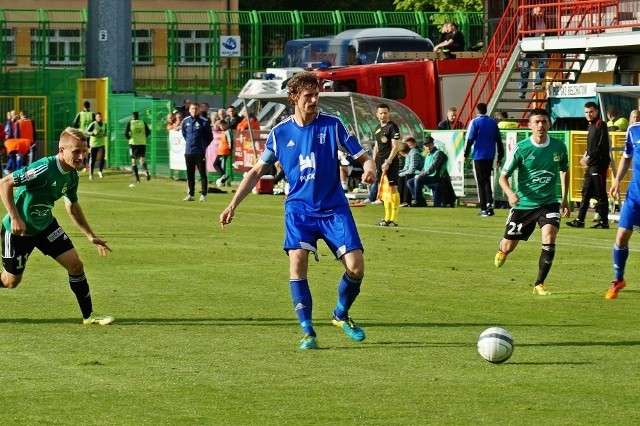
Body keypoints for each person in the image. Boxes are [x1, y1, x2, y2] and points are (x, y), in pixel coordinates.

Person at [219, 71, 376, 351]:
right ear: (294, 98)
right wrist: (233, 204)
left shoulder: (333, 125)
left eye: (316, 95)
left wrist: (369, 166)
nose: (314, 100)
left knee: (356, 267)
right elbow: (256, 171)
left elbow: (362, 156)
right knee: (297, 261)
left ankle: (340, 315)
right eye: (308, 96)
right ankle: (307, 331)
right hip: (299, 211)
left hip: (334, 209)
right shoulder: (280, 134)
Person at [0, 127, 114, 325]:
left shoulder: (72, 176)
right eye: (76, 151)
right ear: (62, 150)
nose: (82, 156)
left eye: (84, 151)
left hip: (46, 227)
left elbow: (73, 207)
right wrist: (15, 217)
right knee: (11, 282)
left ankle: (89, 317)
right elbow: (5, 183)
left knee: (76, 265)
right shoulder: (43, 168)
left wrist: (90, 235)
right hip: (18, 232)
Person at [494, 108, 570, 296]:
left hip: (549, 202)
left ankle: (539, 283)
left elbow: (564, 170)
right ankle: (502, 250)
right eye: (536, 122)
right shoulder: (521, 148)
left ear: (549, 124)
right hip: (524, 204)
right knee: (509, 245)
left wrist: (565, 199)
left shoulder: (559, 147)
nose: (541, 125)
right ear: (529, 125)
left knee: (549, 236)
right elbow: (503, 177)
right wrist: (511, 194)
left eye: (544, 121)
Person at [606, 110, 640, 299]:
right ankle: (618, 279)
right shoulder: (634, 130)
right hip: (635, 196)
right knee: (621, 237)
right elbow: (627, 156)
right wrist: (617, 180)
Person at [567, 102, 610, 229]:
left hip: (599, 164)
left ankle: (604, 221)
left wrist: (589, 157)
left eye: (591, 112)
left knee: (600, 193)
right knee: (585, 192)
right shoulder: (590, 125)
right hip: (591, 165)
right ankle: (580, 220)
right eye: (586, 112)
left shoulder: (600, 124)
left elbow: (601, 146)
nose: (588, 114)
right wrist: (585, 155)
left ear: (596, 111)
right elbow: (590, 146)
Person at [463, 102, 504, 216]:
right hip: (490, 155)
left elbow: (470, 139)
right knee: (487, 180)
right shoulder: (492, 122)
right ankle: (489, 205)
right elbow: (499, 141)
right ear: (486, 110)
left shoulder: (475, 122)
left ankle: (483, 208)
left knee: (480, 182)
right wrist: (500, 156)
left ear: (477, 111)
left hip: (479, 155)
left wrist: (465, 154)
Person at [373, 103, 401, 226]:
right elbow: (376, 147)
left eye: (385, 113)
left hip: (390, 161)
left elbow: (396, 147)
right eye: (381, 113)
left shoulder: (393, 127)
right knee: (385, 190)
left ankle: (393, 219)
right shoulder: (377, 128)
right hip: (380, 162)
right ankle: (386, 218)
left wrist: (388, 162)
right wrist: (374, 163)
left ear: (389, 113)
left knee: (393, 188)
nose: (383, 115)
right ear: (377, 114)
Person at [181, 103, 213, 201]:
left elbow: (209, 137)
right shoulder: (185, 121)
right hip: (189, 151)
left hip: (200, 152)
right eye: (192, 108)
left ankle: (203, 195)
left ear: (199, 110)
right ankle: (191, 194)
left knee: (202, 174)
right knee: (190, 174)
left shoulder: (204, 121)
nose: (194, 110)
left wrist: (203, 146)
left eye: (196, 108)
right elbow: (184, 134)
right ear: (189, 110)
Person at [407, 136, 447, 207]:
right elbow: (424, 168)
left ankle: (418, 202)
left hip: (437, 177)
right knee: (410, 182)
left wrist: (420, 175)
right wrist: (420, 174)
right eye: (426, 146)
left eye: (429, 145)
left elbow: (432, 168)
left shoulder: (439, 153)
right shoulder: (428, 154)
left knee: (418, 179)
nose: (428, 147)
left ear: (433, 144)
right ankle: (421, 201)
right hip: (428, 177)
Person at [518, 6, 547, 98]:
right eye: (540, 11)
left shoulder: (544, 18)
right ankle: (522, 90)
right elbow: (520, 29)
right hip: (529, 43)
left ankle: (537, 83)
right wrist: (522, 43)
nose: (541, 13)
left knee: (544, 63)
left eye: (543, 11)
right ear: (534, 9)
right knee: (526, 66)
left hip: (540, 43)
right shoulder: (526, 17)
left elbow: (547, 30)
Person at [124, 111, 151, 187]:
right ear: (138, 116)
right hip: (142, 143)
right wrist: (143, 137)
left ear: (132, 117)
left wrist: (129, 138)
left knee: (133, 162)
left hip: (133, 144)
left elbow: (126, 133)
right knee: (142, 160)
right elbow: (148, 131)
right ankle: (146, 171)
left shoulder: (130, 123)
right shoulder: (142, 122)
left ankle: (137, 179)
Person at [398, 137, 424, 206]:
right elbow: (406, 167)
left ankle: (406, 201)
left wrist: (401, 174)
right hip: (413, 172)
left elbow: (412, 169)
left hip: (419, 172)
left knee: (407, 176)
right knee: (400, 177)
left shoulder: (414, 154)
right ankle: (400, 201)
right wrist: (398, 173)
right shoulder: (408, 155)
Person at [86, 112, 107, 180]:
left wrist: (105, 134)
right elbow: (87, 132)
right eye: (98, 117)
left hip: (101, 143)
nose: (100, 118)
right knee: (93, 159)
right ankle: (91, 173)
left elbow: (106, 132)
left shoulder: (104, 124)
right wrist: (93, 133)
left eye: (100, 116)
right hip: (94, 144)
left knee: (102, 158)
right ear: (96, 118)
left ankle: (100, 171)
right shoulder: (93, 124)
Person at [214, 119, 232, 187]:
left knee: (217, 164)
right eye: (221, 126)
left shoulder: (227, 132)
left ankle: (223, 176)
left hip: (224, 151)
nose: (222, 127)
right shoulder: (222, 132)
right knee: (217, 164)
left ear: (226, 125)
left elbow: (230, 141)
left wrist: (229, 150)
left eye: (223, 125)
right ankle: (223, 177)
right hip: (221, 151)